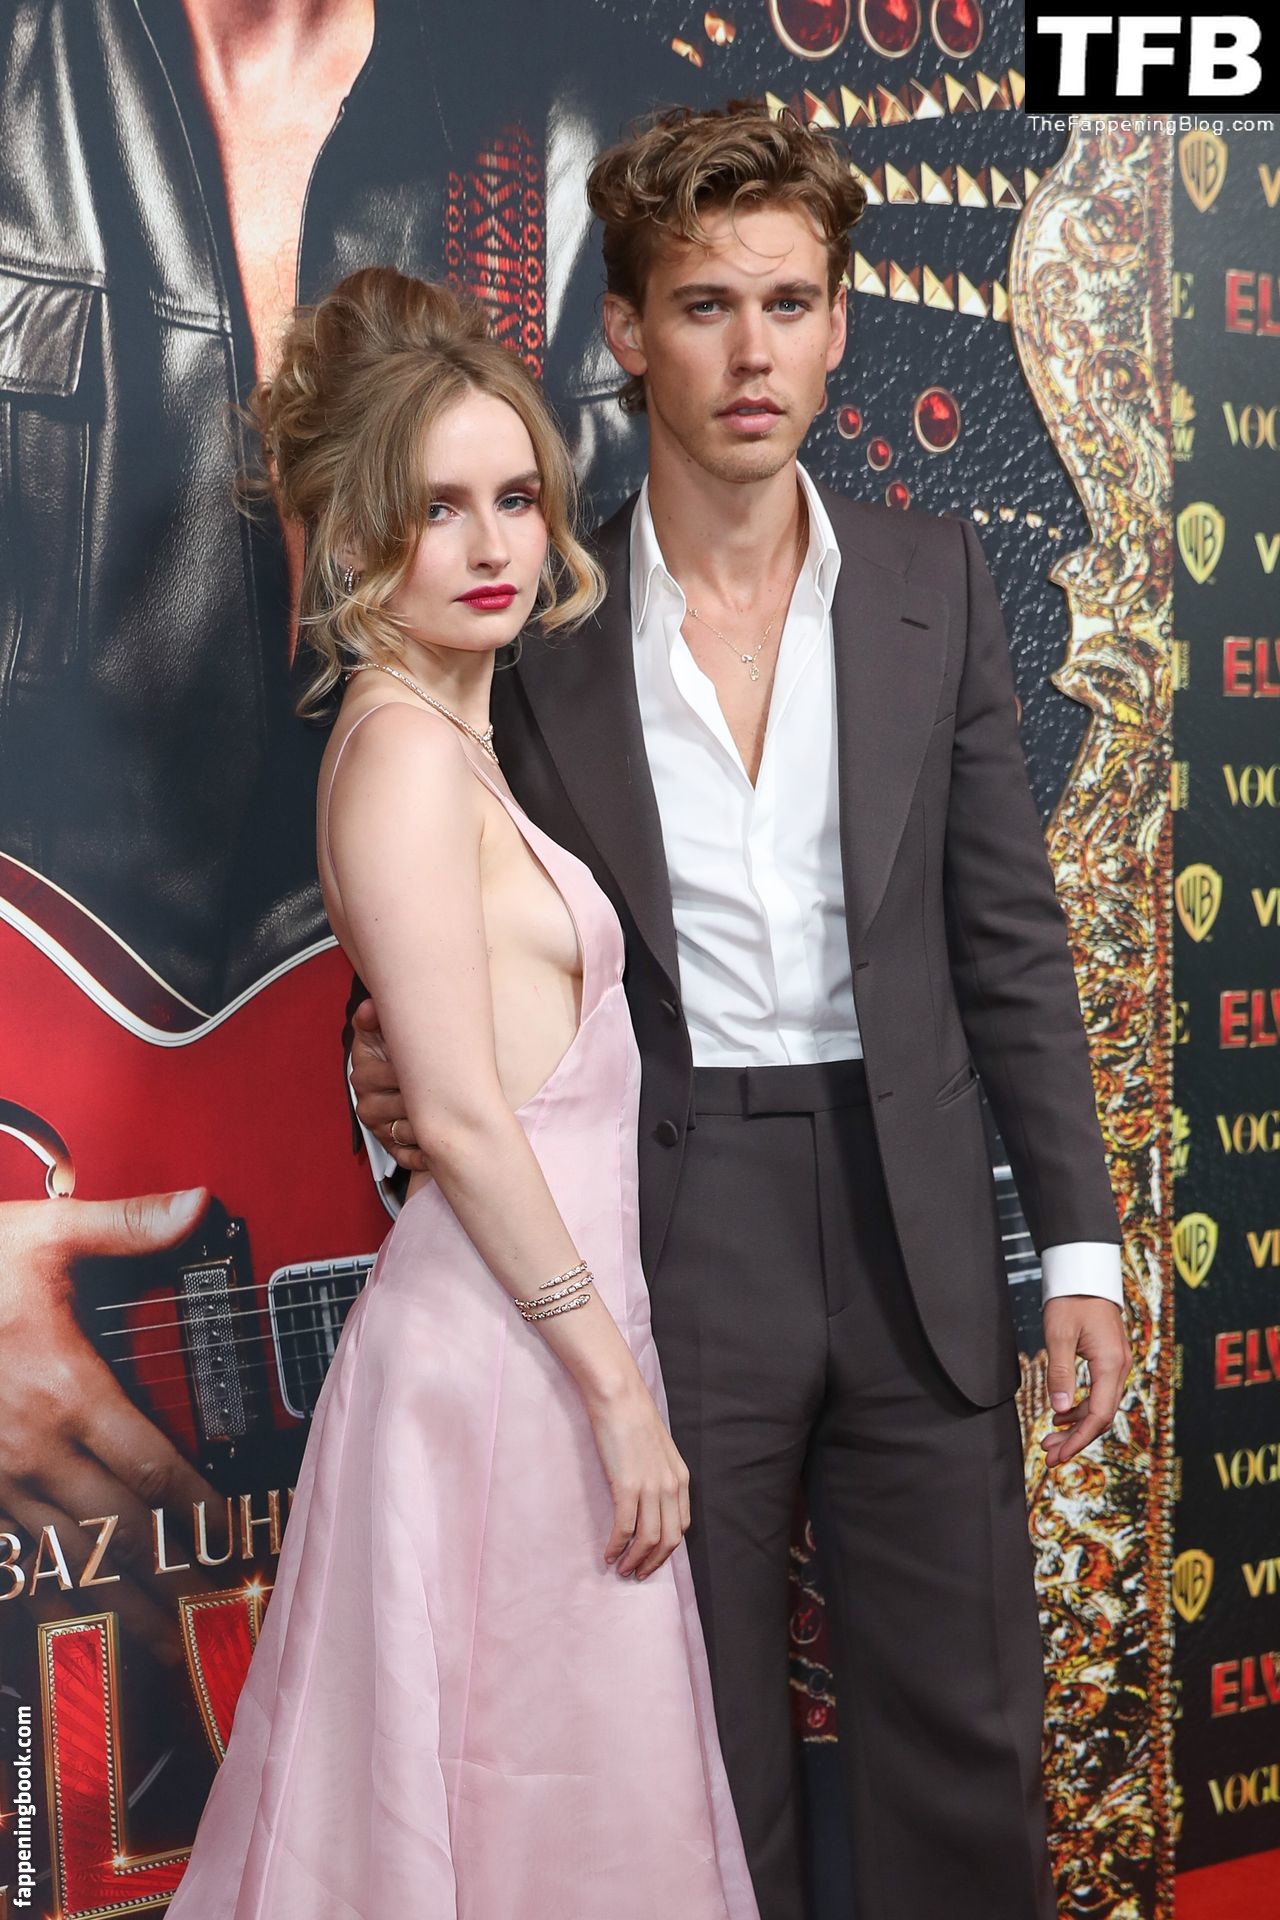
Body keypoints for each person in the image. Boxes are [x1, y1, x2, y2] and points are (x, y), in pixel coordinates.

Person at [350, 105, 1134, 1920]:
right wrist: (386, 1064)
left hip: (915, 1212)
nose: (754, 353)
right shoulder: (534, 624)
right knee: (692, 1753)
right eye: (706, 306)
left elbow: (1009, 936)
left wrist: (1081, 1248)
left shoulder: (935, 583)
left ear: (842, 322)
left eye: (790, 303)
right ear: (629, 332)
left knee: (967, 1736)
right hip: (668, 1217)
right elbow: (440, 892)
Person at [165, 267, 759, 1919]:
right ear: (364, 533)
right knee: (528, 1818)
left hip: (533, 1343)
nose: (494, 544)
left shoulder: (449, 736)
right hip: (505, 1365)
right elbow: (467, 1119)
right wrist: (615, 1391)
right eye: (439, 508)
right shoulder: (405, 759)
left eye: (515, 496)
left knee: (554, 1817)